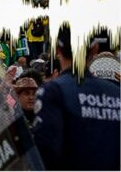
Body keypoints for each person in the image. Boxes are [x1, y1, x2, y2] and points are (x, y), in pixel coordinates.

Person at [33, 26, 120, 170]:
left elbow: (44, 153)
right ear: (94, 49)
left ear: (57, 50)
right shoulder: (117, 93)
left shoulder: (53, 91)